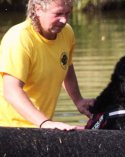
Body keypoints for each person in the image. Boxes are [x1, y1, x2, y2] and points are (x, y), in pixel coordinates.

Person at [0, 0, 93, 130]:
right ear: (38, 9)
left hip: (41, 128)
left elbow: (66, 67)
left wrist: (78, 100)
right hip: (9, 130)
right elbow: (11, 91)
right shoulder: (19, 38)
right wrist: (45, 123)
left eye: (67, 13)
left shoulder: (66, 33)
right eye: (58, 14)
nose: (64, 20)